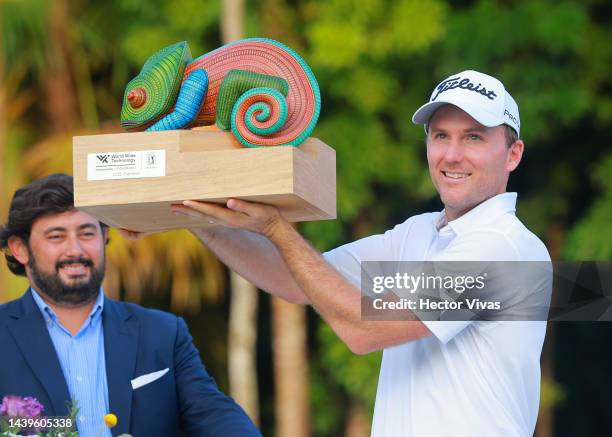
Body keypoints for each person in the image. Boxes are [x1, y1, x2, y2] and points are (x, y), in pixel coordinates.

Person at [167, 70, 552, 436]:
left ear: (513, 154)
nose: (451, 155)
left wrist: (275, 229)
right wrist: (189, 216)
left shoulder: (503, 249)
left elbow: (364, 329)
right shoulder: (418, 233)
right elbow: (298, 279)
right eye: (440, 136)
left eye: (473, 138)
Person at [0, 174, 261, 437]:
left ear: (104, 237)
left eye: (87, 233)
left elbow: (215, 416)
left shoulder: (163, 333)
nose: (75, 250)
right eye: (56, 236)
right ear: (20, 249)